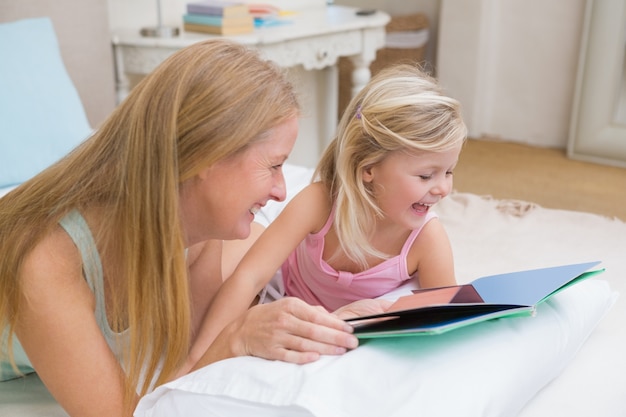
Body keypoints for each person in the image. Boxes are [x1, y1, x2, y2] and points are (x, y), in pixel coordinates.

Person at [0, 39, 387, 417]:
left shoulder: (198, 231)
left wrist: (330, 318)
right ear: (207, 156)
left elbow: (192, 372)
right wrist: (238, 336)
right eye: (273, 165)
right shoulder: (46, 261)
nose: (281, 190)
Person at [190, 63, 468, 363]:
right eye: (426, 176)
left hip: (346, 327)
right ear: (368, 170)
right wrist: (200, 357)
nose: (442, 189)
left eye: (448, 172)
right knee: (217, 274)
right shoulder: (320, 202)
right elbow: (250, 276)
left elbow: (447, 315)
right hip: (283, 298)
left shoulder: (426, 238)